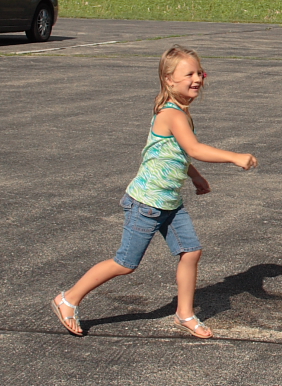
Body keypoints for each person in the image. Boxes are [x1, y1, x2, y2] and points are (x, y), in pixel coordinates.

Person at [50, 45, 258, 339]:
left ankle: (184, 314)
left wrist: (196, 177)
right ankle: (68, 299)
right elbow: (194, 149)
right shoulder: (171, 114)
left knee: (191, 251)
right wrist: (235, 157)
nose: (197, 78)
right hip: (146, 204)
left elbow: (174, 155)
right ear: (169, 79)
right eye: (189, 74)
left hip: (169, 203)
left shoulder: (182, 113)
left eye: (200, 72)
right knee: (124, 263)